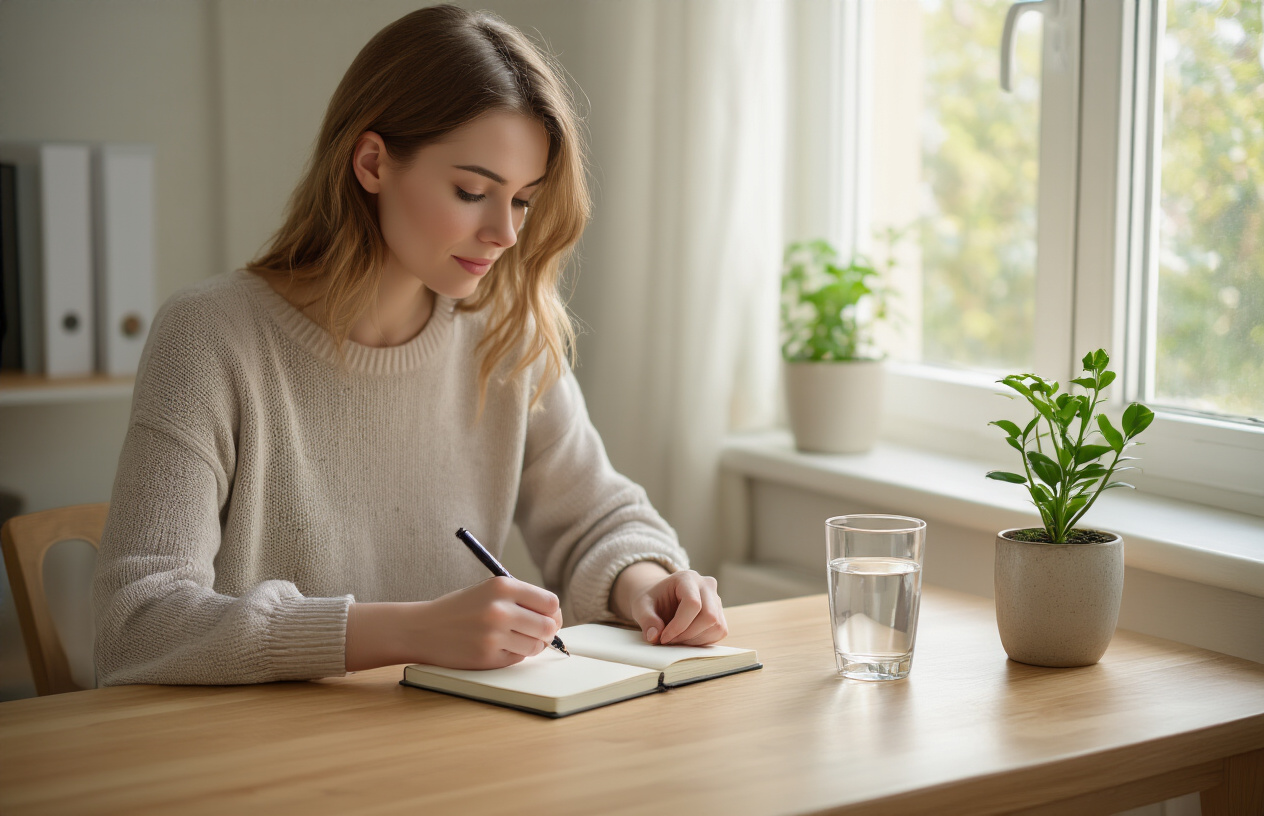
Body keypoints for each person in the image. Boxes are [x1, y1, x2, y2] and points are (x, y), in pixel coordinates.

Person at [92, 4, 726, 686]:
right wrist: (411, 631)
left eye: (521, 201)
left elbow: (598, 518)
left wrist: (648, 582)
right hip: (262, 766)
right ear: (371, 162)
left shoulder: (506, 336)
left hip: (448, 755)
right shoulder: (211, 336)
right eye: (472, 190)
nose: (505, 234)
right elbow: (138, 622)